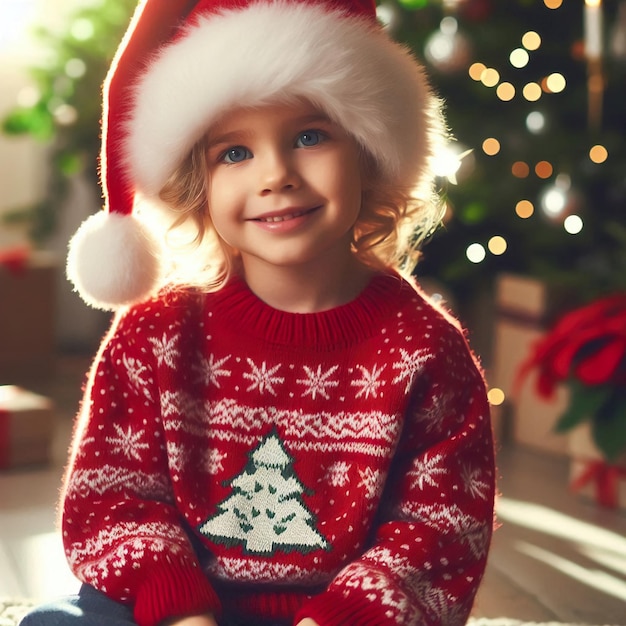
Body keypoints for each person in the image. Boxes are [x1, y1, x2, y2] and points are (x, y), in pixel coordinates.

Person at [22, 0, 495, 625]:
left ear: (370, 151)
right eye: (234, 153)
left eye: (309, 136)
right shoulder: (155, 334)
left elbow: (440, 530)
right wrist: (182, 610)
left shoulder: (423, 348)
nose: (276, 174)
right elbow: (112, 498)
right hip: (179, 609)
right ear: (198, 187)